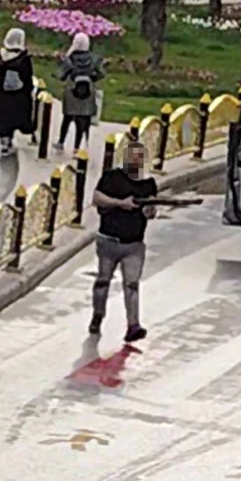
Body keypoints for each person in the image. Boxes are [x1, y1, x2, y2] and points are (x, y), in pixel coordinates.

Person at [89, 142, 157, 342]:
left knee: (132, 284)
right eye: (131, 157)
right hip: (109, 240)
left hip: (134, 244)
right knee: (103, 281)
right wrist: (120, 203)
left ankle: (133, 325)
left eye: (138, 157)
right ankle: (98, 315)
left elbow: (152, 207)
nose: (134, 161)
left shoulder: (148, 184)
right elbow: (97, 198)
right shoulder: (112, 178)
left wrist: (149, 210)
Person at [53, 33, 105, 154]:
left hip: (72, 90)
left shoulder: (70, 58)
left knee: (67, 117)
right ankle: (77, 147)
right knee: (82, 119)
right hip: (88, 92)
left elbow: (62, 75)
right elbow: (101, 73)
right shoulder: (94, 59)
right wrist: (92, 78)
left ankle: (61, 142)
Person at [0, 28, 34, 158]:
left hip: (2, 94)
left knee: (3, 119)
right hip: (18, 96)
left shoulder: (0, 55)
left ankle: (4, 143)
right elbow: (27, 76)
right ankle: (9, 142)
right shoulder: (23, 59)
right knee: (14, 119)